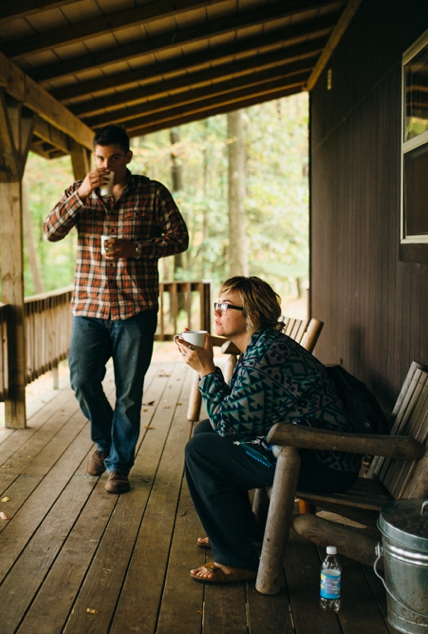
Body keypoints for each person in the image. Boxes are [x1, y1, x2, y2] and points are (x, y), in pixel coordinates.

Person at [174, 276, 359, 583]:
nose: (217, 312)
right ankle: (237, 533)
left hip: (323, 461)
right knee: (205, 433)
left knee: (201, 450)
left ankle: (238, 560)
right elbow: (232, 417)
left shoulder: (265, 356)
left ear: (252, 314)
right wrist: (208, 368)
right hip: (297, 449)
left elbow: (230, 426)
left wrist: (207, 370)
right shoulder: (261, 348)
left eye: (226, 306)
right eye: (217, 304)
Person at [43, 124, 188, 494]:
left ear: (128, 157)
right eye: (100, 158)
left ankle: (119, 466)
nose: (106, 164)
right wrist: (82, 192)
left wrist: (136, 249)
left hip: (135, 308)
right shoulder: (81, 192)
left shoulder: (153, 193)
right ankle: (106, 442)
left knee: (129, 392)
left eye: (114, 158)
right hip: (89, 308)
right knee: (81, 380)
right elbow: (50, 231)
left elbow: (179, 238)